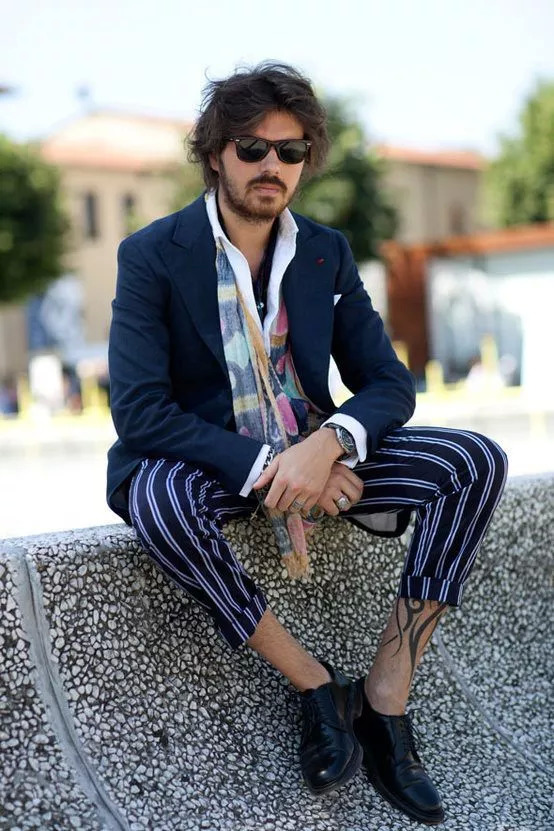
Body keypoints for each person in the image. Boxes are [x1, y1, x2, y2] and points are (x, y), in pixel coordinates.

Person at [106, 62, 508, 825]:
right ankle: (314, 683)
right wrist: (275, 467)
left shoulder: (325, 250)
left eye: (290, 151)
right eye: (253, 148)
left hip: (319, 452)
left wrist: (330, 444)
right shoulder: (153, 253)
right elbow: (141, 413)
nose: (273, 165)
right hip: (216, 464)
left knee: (474, 462)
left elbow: (388, 383)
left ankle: (385, 700)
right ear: (216, 153)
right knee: (157, 502)